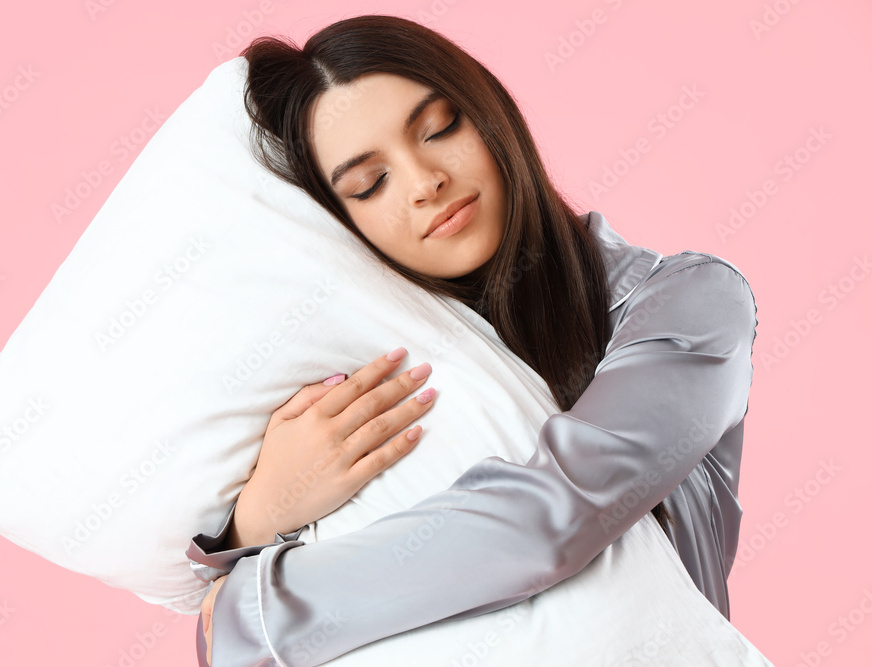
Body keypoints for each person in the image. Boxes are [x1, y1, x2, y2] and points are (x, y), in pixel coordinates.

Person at [189, 14, 758, 666]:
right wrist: (256, 521)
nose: (424, 181)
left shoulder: (688, 301)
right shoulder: (365, 367)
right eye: (370, 184)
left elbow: (557, 514)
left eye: (439, 129)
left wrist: (258, 612)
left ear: (492, 112)